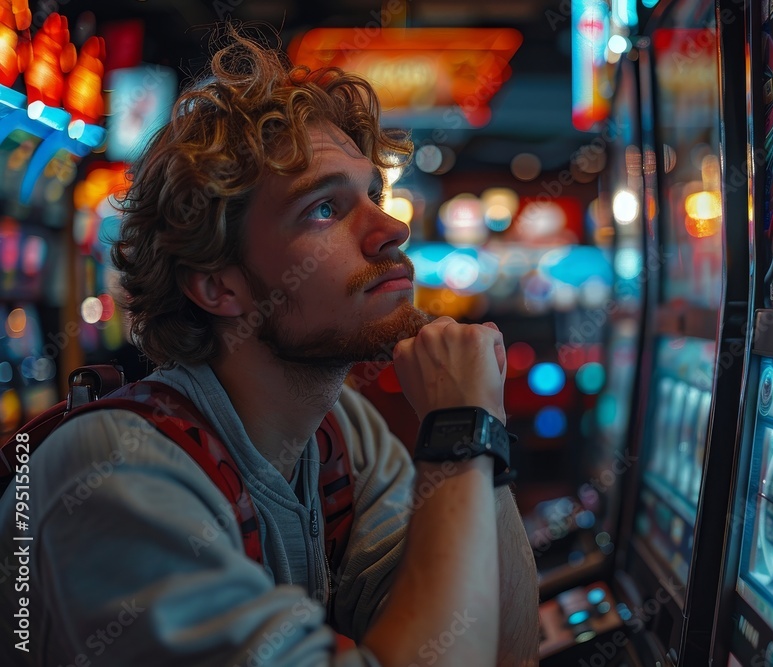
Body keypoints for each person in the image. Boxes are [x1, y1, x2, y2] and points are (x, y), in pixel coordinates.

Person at [0, 26, 539, 667]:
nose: (391, 229)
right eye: (323, 209)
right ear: (219, 285)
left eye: (373, 196)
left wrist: (483, 429)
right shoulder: (118, 468)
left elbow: (501, 649)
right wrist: (458, 434)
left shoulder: (342, 431)